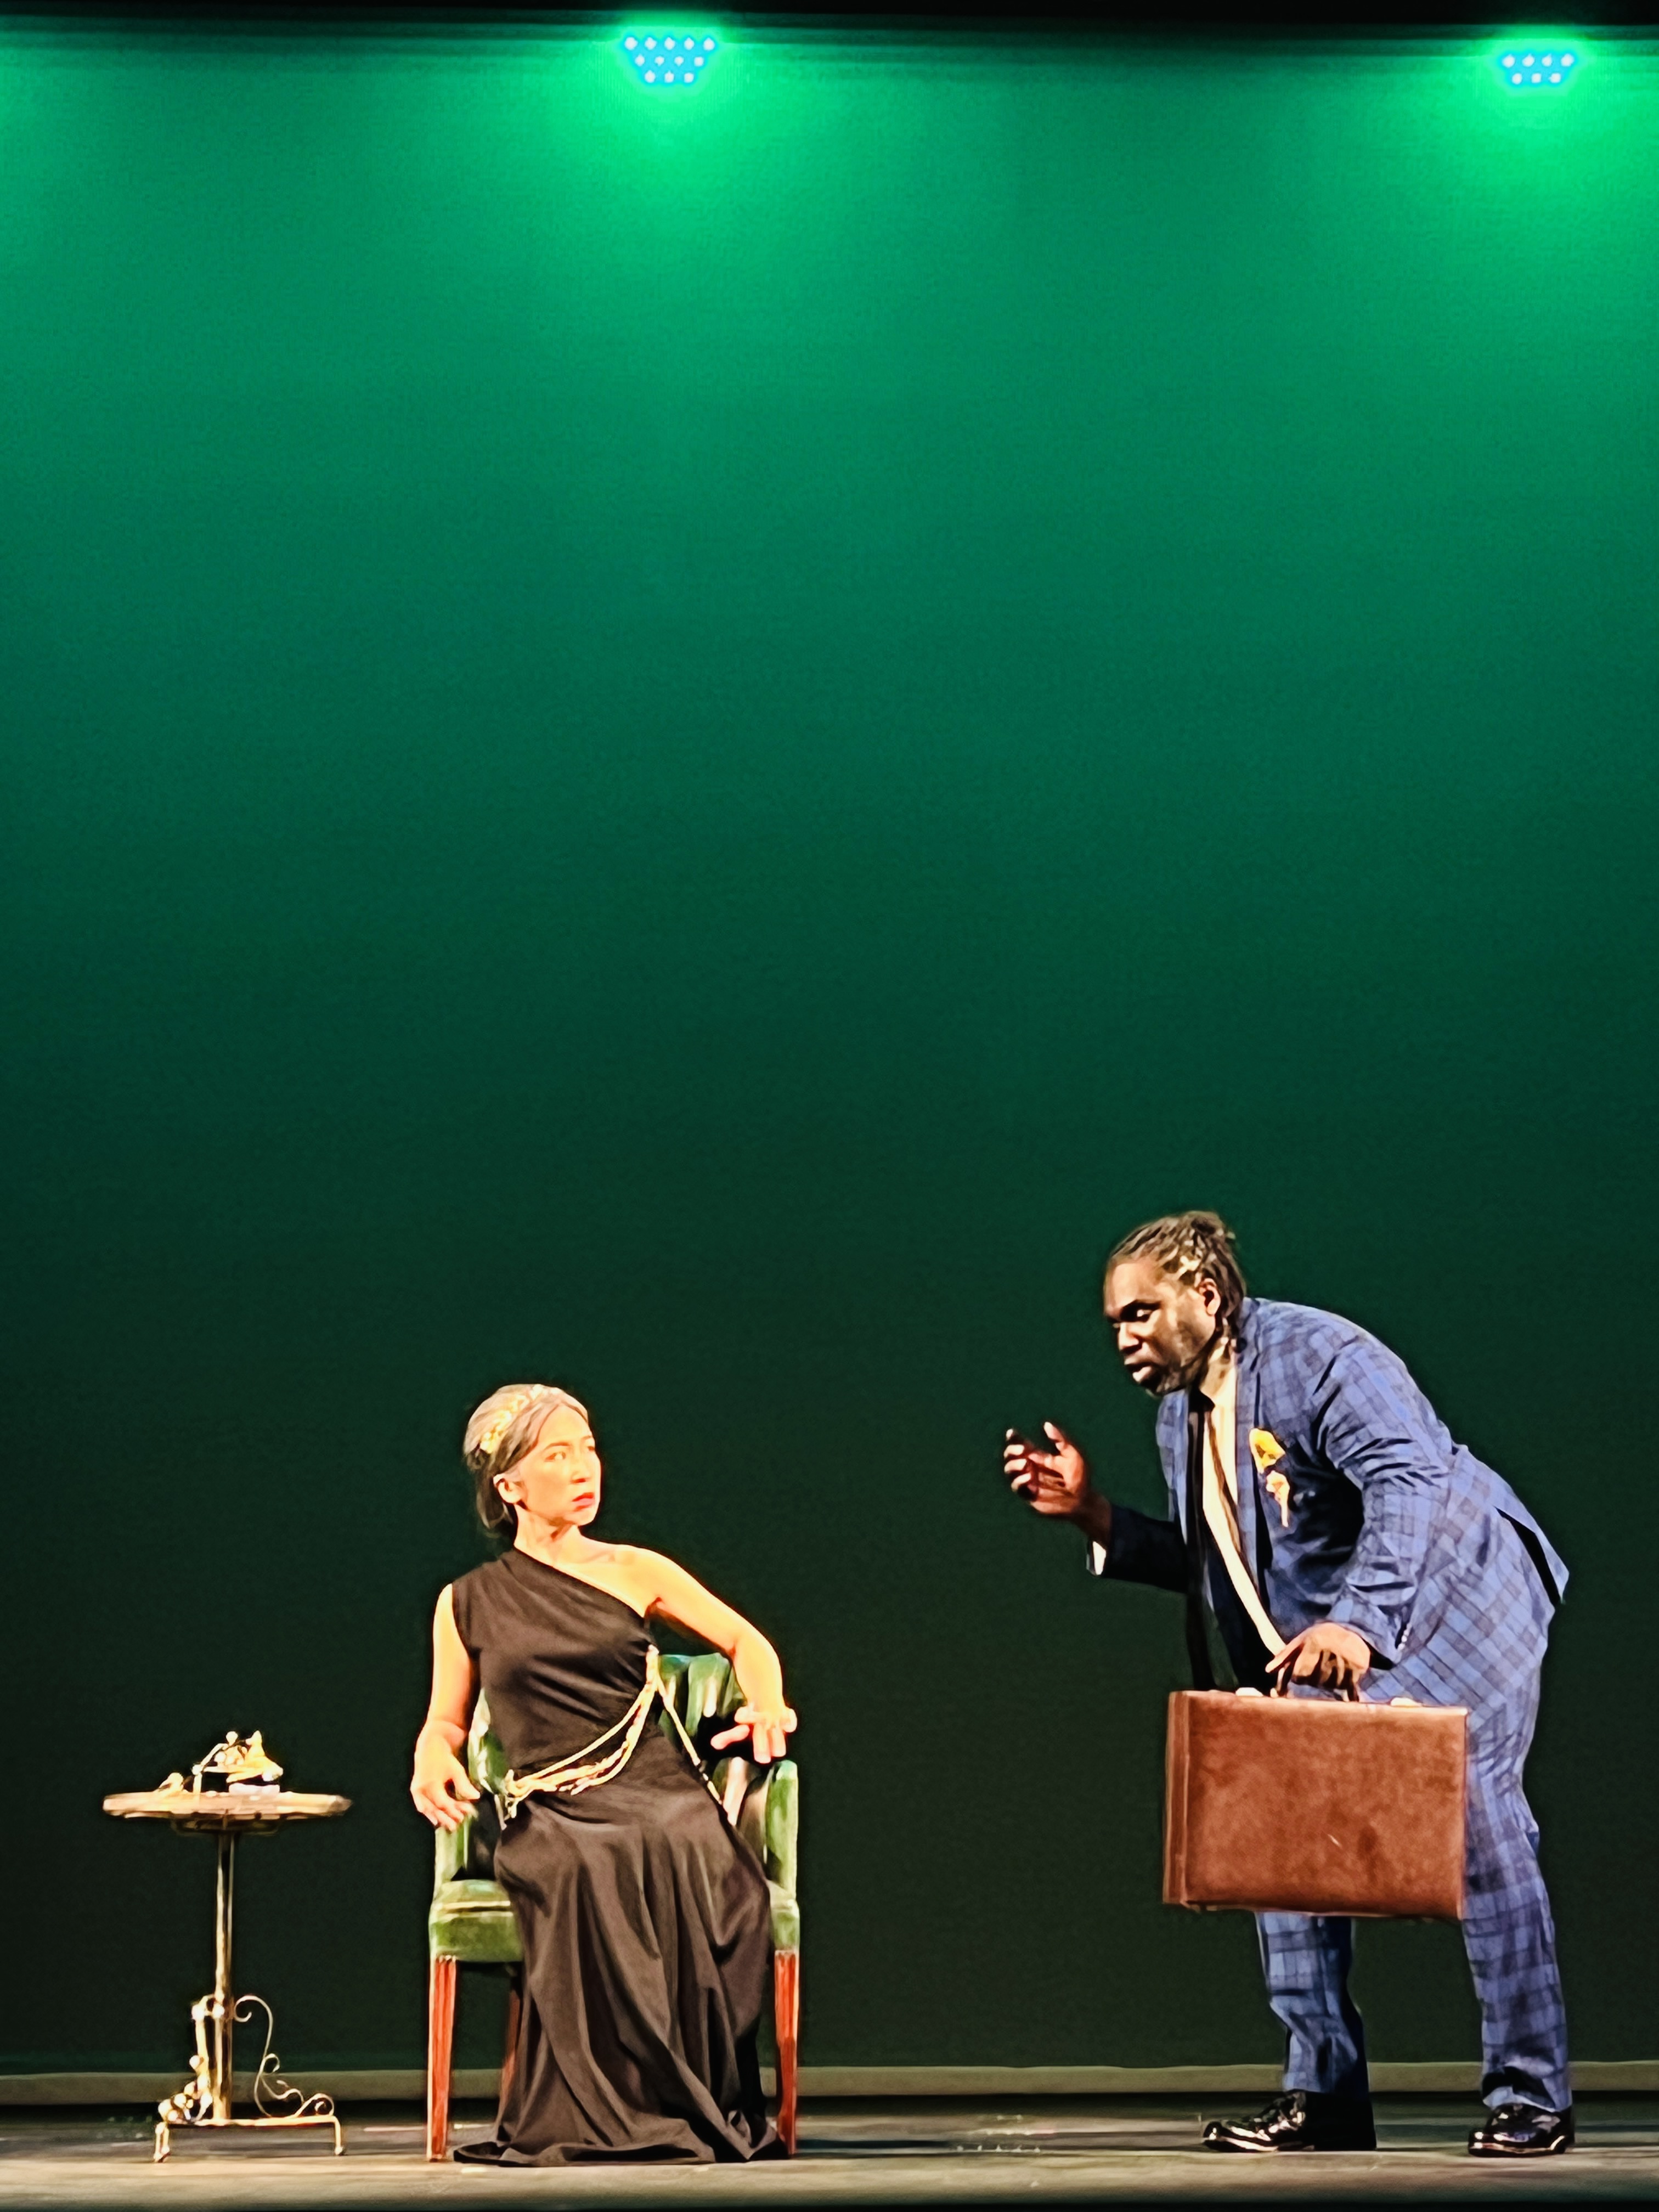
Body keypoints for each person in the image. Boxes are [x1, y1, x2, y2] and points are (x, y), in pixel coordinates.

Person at [1005, 1212, 1571, 2160]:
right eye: (1114, 1324)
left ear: (1207, 1296)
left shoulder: (1323, 1356)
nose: (1126, 1338)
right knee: (1276, 1813)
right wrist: (1094, 1515)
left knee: (1476, 1814)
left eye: (1142, 1313)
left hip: (1461, 1589)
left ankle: (1532, 2093)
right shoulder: (1180, 1419)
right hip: (1344, 1631)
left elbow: (1408, 1481)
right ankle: (1325, 2093)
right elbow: (1224, 1565)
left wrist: (1358, 1624)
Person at [411, 1382, 796, 2165]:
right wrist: (431, 1752)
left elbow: (745, 1642)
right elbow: (447, 1719)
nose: (584, 1469)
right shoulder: (466, 1602)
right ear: (510, 1486)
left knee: (671, 1840)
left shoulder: (634, 1568)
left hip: (656, 1786)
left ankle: (678, 2096)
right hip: (552, 1804)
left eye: (587, 1451)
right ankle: (603, 2106)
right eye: (558, 1455)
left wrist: (766, 1703)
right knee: (581, 1858)